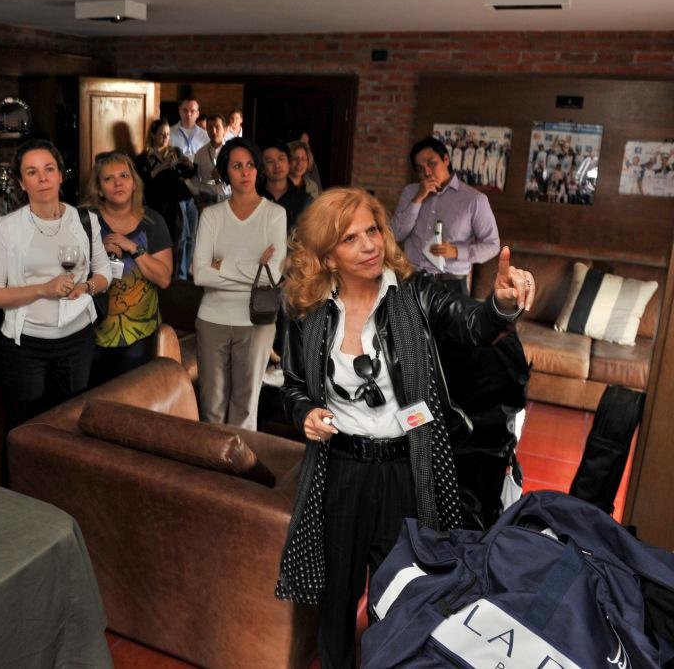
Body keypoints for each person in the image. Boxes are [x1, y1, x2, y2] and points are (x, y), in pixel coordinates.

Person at [275, 187, 535, 668]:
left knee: (399, 598)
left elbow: (473, 325)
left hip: (406, 468)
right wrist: (304, 411)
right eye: (351, 238)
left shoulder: (414, 293)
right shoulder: (306, 308)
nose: (369, 245)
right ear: (327, 257)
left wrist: (500, 306)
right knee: (335, 600)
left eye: (373, 230)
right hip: (340, 469)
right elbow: (292, 383)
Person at [0, 139, 110, 455]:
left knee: (71, 422)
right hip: (26, 346)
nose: (42, 178)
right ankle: (21, 482)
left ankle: (64, 479)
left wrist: (86, 288)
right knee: (26, 426)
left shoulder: (85, 220)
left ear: (61, 175)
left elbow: (104, 273)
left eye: (49, 169)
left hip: (77, 341)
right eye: (32, 172)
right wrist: (42, 289)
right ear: (21, 182)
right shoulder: (9, 228)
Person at [193, 137, 286, 431]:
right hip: (212, 318)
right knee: (212, 407)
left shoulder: (275, 214)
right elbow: (199, 274)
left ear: (258, 169)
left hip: (256, 321)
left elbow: (272, 276)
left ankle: (241, 462)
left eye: (250, 165)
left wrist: (221, 266)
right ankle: (210, 461)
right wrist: (254, 269)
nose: (245, 172)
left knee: (245, 408)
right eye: (236, 166)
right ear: (225, 172)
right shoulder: (212, 215)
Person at [85, 151, 173, 383]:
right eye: (109, 178)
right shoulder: (84, 221)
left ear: (134, 183)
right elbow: (66, 274)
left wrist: (134, 248)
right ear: (99, 189)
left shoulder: (153, 221)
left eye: (124, 176)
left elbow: (164, 279)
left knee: (134, 398)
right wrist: (98, 254)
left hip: (139, 337)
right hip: (89, 335)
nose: (118, 183)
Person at [391, 136, 500, 296]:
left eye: (431, 163)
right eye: (420, 169)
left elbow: (492, 245)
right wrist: (418, 199)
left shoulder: (474, 199)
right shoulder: (410, 192)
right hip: (411, 280)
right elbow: (395, 234)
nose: (427, 172)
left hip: (451, 284)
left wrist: (457, 252)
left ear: (446, 160)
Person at [135, 119, 195, 259]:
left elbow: (187, 174)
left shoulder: (175, 152)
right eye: (162, 134)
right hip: (155, 204)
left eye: (168, 134)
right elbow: (143, 180)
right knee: (157, 243)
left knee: (178, 241)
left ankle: (176, 271)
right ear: (153, 135)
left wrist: (189, 165)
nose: (165, 137)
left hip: (174, 204)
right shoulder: (144, 157)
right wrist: (162, 166)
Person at [169, 98, 209, 279]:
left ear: (198, 113)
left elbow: (207, 165)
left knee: (193, 234)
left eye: (192, 111)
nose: (188, 114)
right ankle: (180, 274)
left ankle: (189, 269)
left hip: (197, 190)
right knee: (181, 234)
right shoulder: (171, 132)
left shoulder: (204, 135)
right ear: (180, 111)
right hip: (179, 188)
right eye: (185, 110)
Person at [259, 139, 312, 232]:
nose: (277, 165)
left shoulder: (305, 201)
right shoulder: (254, 196)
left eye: (281, 159)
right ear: (262, 168)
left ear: (288, 163)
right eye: (270, 161)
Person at [192, 114, 232, 208]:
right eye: (210, 128)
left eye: (217, 127)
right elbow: (195, 179)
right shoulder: (200, 153)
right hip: (206, 201)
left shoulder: (232, 152)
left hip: (228, 200)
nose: (213, 131)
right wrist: (198, 200)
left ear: (224, 129)